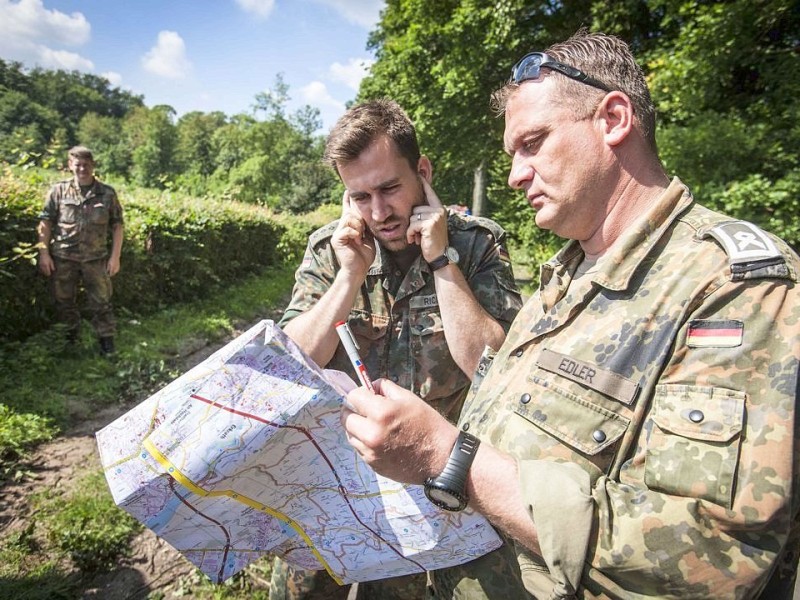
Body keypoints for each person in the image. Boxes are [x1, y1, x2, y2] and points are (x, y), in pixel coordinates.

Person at [341, 31, 800, 599]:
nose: (515, 174)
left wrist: (443, 456)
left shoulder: (734, 288)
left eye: (532, 143)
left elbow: (709, 558)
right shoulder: (566, 275)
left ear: (612, 119)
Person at [269, 99, 523, 599]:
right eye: (359, 196)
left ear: (422, 172)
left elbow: (495, 369)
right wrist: (349, 275)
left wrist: (442, 261)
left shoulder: (476, 245)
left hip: (438, 494)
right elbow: (288, 366)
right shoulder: (330, 249)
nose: (379, 212)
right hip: (339, 494)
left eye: (389, 188)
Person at [37, 146, 124, 355]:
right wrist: (43, 253)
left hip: (95, 259)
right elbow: (45, 223)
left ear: (93, 166)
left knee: (102, 302)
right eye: (78, 165)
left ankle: (107, 342)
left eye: (86, 165)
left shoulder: (107, 193)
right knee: (64, 301)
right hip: (63, 258)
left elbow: (118, 226)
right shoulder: (58, 191)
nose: (82, 169)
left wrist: (115, 257)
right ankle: (70, 338)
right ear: (70, 166)